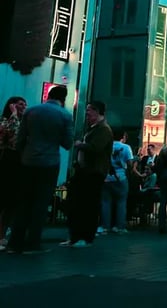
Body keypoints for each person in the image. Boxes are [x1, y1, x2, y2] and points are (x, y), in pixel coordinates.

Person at [6, 87, 72, 254]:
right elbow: (67, 143)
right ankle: (33, 242)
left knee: (24, 201)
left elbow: (20, 138)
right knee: (40, 203)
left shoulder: (32, 111)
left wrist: (24, 153)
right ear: (63, 99)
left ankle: (15, 242)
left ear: (48, 95)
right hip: (49, 162)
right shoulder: (65, 115)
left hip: (28, 160)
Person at [62, 101, 113, 248]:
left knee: (88, 204)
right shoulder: (93, 129)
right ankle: (76, 236)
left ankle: (85, 236)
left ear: (98, 112)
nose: (87, 114)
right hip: (85, 170)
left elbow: (96, 148)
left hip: (93, 172)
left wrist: (80, 145)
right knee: (78, 203)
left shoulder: (103, 130)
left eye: (90, 111)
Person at [0, 96, 27, 250]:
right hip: (6, 162)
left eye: (25, 104)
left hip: (18, 163)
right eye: (20, 104)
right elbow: (13, 136)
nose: (23, 106)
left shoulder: (25, 122)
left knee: (11, 201)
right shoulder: (6, 120)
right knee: (4, 199)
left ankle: (3, 232)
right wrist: (14, 114)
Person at [98, 128, 134, 235]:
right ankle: (120, 227)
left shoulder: (106, 146)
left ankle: (105, 227)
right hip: (121, 177)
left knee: (105, 202)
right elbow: (130, 163)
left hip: (106, 178)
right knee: (121, 202)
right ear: (122, 137)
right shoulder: (126, 147)